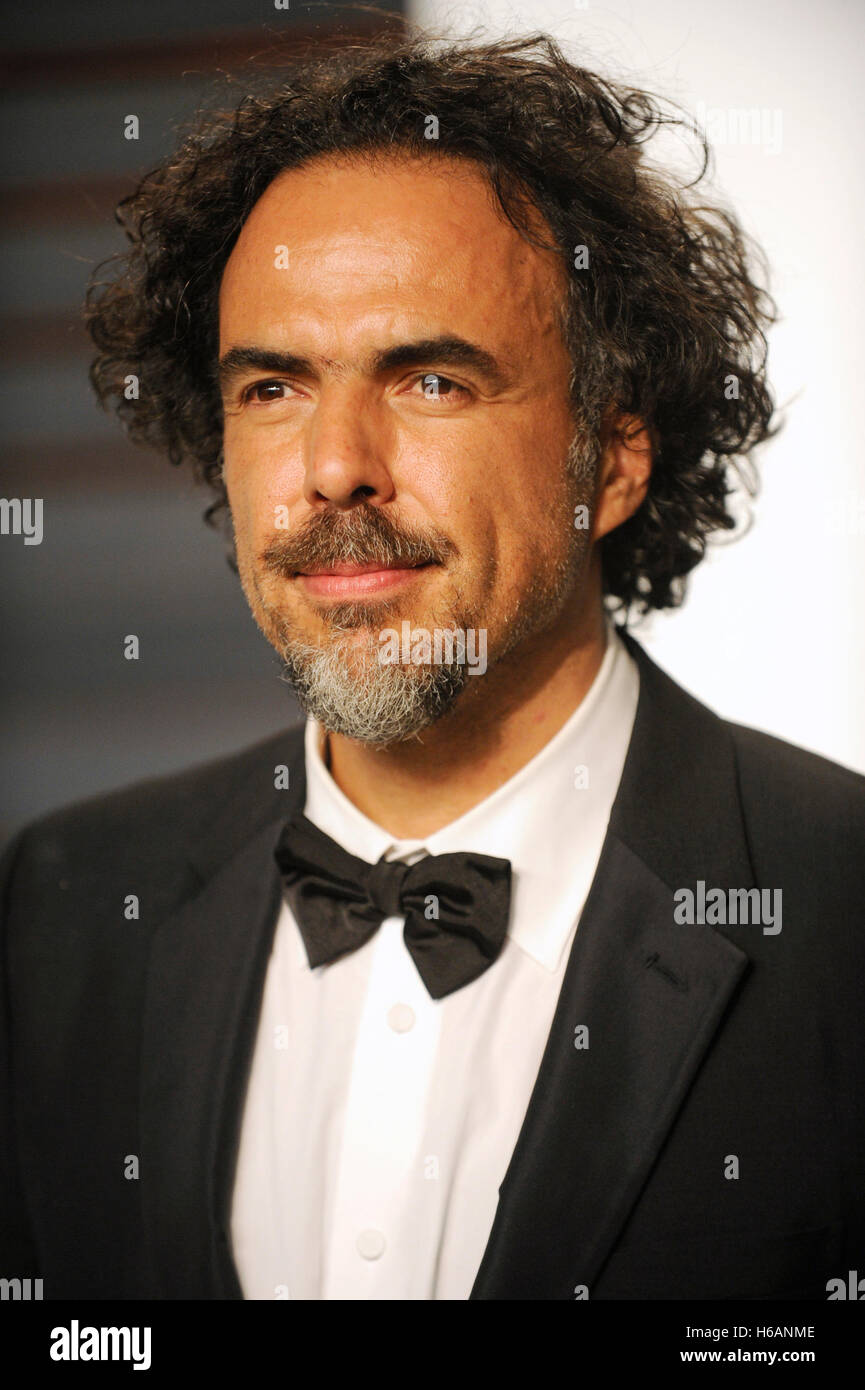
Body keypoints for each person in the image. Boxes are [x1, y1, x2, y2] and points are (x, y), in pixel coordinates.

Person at [2, 28, 863, 1301]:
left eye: (434, 380)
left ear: (612, 459)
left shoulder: (839, 904)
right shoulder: (61, 902)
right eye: (273, 389)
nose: (335, 465)